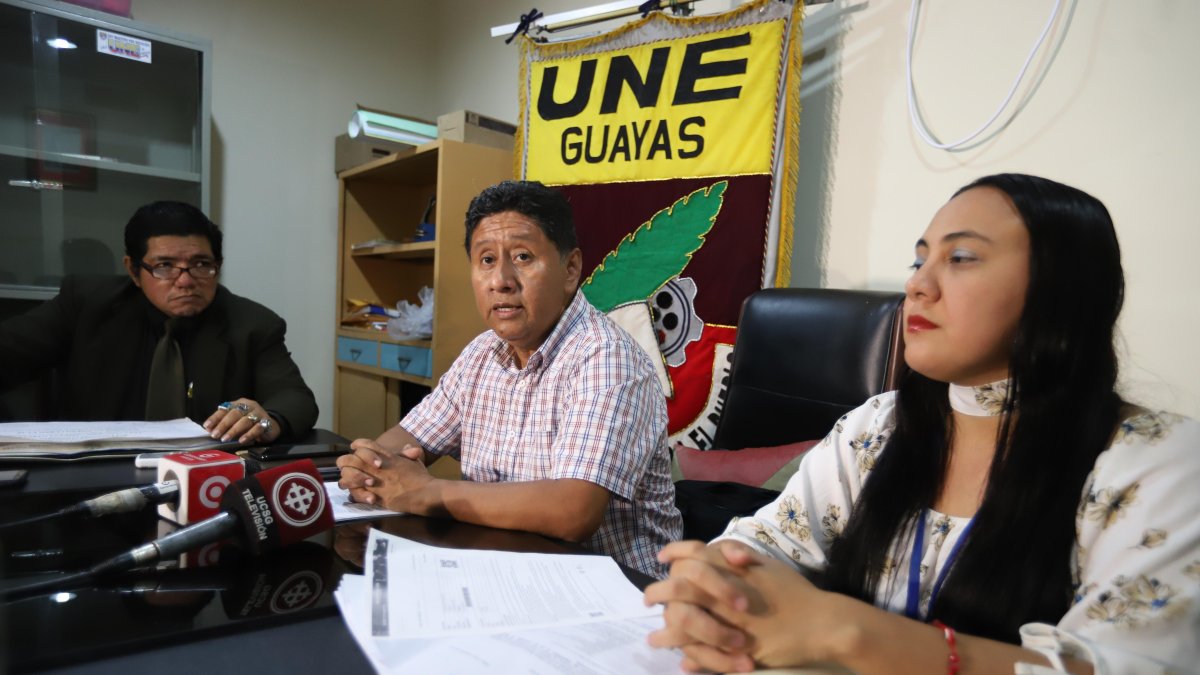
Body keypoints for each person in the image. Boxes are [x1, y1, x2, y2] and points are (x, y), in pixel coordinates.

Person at [643, 174, 1200, 673]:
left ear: (1062, 291)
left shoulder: (1156, 463)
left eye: (960, 259)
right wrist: (714, 586)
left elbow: (1127, 665)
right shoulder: (876, 429)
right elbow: (765, 545)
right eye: (919, 260)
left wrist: (853, 636)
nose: (917, 285)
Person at [337, 180, 683, 579]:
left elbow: (572, 512)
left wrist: (422, 491)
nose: (500, 279)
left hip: (617, 590)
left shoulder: (606, 358)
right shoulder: (482, 353)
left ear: (570, 269)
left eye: (522, 257)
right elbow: (406, 441)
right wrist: (369, 467)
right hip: (503, 573)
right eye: (486, 260)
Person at [0, 201, 318, 444]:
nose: (185, 281)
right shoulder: (86, 305)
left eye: (201, 265)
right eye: (165, 266)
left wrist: (267, 419)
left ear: (217, 266)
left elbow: (295, 399)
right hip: (91, 479)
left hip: (203, 482)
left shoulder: (252, 323)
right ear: (134, 270)